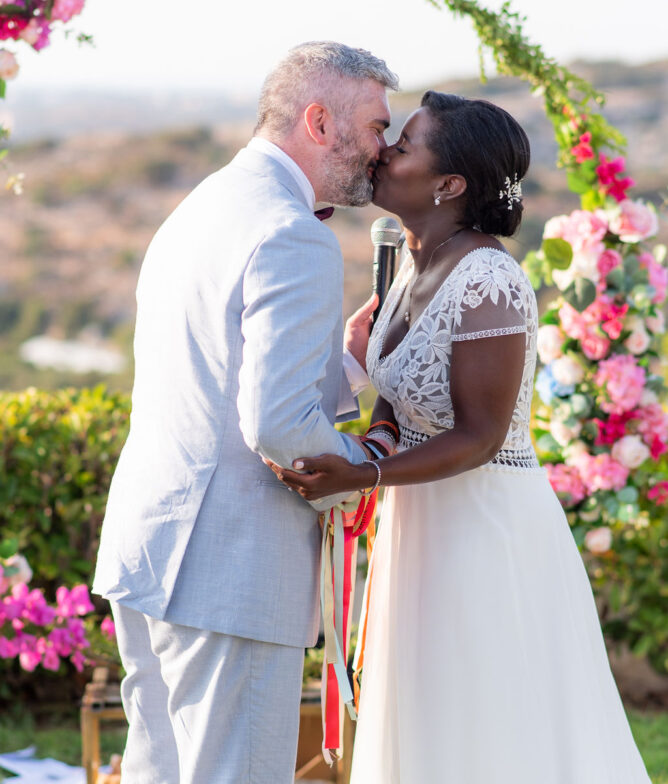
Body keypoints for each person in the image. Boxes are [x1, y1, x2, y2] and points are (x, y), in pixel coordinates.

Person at [272, 93, 651, 783]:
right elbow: (398, 390)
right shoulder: (412, 265)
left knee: (485, 718)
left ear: (448, 185)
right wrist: (377, 441)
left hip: (484, 526)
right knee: (426, 717)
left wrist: (366, 476)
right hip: (418, 523)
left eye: (404, 146)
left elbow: (482, 435)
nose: (384, 152)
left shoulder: (488, 278)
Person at [92, 41, 399, 784]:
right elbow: (276, 425)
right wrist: (369, 469)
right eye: (376, 126)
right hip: (232, 565)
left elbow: (219, 376)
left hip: (152, 547)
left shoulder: (204, 203)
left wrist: (349, 363)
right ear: (319, 122)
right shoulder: (296, 233)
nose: (383, 149)